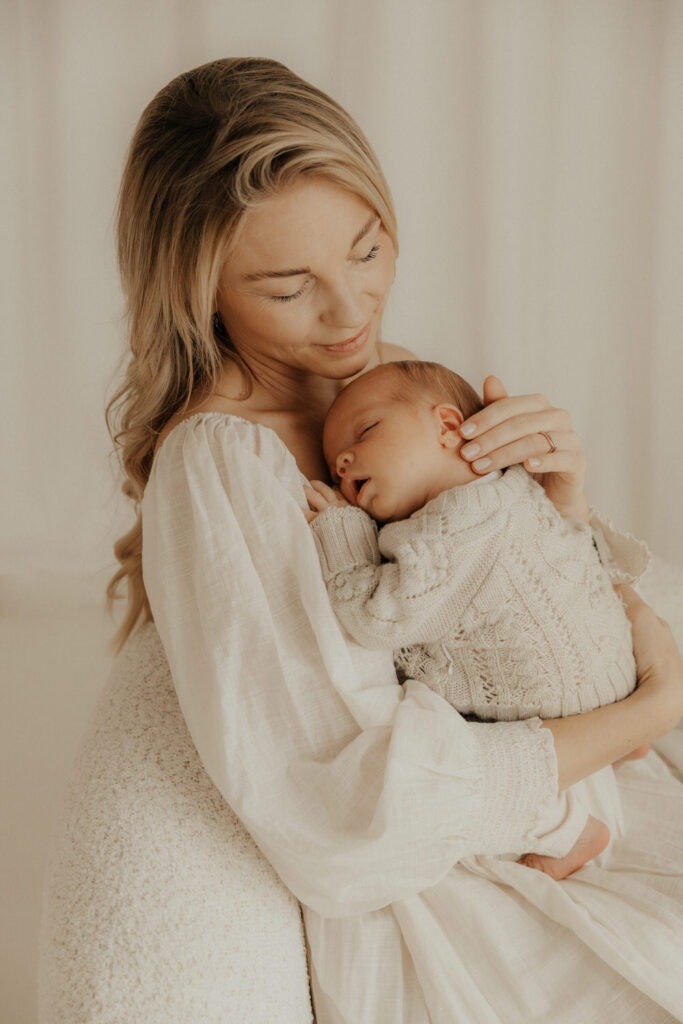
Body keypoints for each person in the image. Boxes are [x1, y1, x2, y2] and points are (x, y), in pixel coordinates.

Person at [107, 57, 683, 1022]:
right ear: (199, 292)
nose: (350, 313)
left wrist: (559, 509)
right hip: (460, 905)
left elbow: (556, 639)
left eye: (367, 250)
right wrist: (652, 711)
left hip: (585, 816)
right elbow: (341, 817)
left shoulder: (378, 396)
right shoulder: (223, 469)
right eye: (288, 287)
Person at [306, 358, 652, 879]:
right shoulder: (514, 487)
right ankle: (619, 739)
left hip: (548, 709)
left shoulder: (448, 528)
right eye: (335, 464)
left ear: (447, 426)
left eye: (366, 430)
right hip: (610, 675)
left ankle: (566, 829)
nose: (344, 460)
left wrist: (341, 528)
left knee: (426, 744)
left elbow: (378, 620)